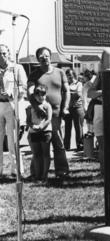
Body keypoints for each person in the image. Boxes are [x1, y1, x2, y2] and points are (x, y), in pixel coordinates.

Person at [27, 47, 70, 179]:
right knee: (38, 146)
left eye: (46, 56)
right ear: (38, 59)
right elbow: (30, 92)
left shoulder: (60, 72)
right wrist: (36, 106)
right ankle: (36, 172)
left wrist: (65, 108)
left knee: (58, 143)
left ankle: (61, 171)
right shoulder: (34, 74)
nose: (44, 58)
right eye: (41, 56)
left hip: (56, 115)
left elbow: (66, 91)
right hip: (39, 116)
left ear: (50, 57)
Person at [0, 44, 27, 177]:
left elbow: (24, 87)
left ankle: (17, 170)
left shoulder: (17, 68)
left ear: (9, 53)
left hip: (11, 105)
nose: (2, 56)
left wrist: (12, 94)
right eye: (0, 54)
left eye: (4, 53)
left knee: (13, 140)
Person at [26, 84, 52, 184]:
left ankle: (45, 175)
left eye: (43, 95)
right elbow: (28, 120)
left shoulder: (47, 105)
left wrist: (41, 127)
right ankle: (37, 175)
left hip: (46, 132)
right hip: (34, 132)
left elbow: (48, 119)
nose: (41, 97)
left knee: (46, 154)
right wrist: (33, 126)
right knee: (36, 155)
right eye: (38, 95)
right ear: (34, 96)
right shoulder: (30, 107)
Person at [64, 68, 84, 152]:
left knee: (78, 127)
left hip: (77, 107)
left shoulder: (79, 83)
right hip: (68, 108)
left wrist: (68, 92)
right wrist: (72, 92)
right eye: (68, 76)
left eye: (71, 75)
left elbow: (78, 94)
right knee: (67, 128)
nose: (69, 77)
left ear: (74, 75)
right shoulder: (65, 84)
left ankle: (80, 145)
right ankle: (66, 146)